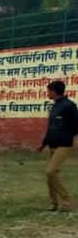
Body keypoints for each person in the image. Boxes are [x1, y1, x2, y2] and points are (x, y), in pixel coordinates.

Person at [39, 80, 78, 212]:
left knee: (50, 171)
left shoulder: (69, 106)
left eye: (48, 91)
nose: (47, 93)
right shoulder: (55, 106)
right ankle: (54, 203)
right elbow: (51, 128)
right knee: (50, 177)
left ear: (54, 91)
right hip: (53, 144)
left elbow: (76, 125)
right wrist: (43, 144)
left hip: (64, 144)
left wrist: (71, 137)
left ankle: (66, 201)